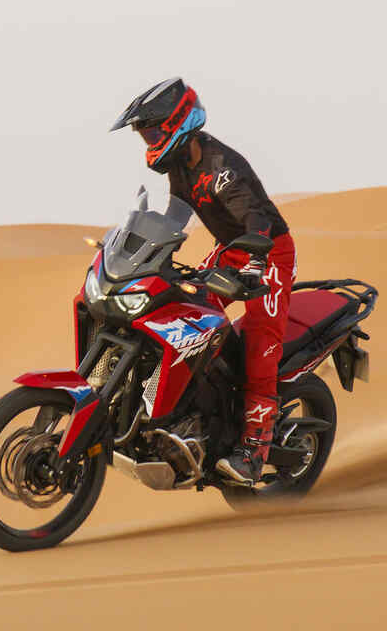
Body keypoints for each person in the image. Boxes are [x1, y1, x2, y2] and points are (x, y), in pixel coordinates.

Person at [110, 78, 296, 485]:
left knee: (261, 348)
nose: (149, 141)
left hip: (267, 252)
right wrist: (144, 254)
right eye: (145, 134)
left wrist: (255, 266)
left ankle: (253, 449)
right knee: (186, 312)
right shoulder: (180, 167)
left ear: (179, 123)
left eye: (154, 132)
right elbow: (175, 218)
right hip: (229, 248)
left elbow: (257, 219)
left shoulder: (222, 168)